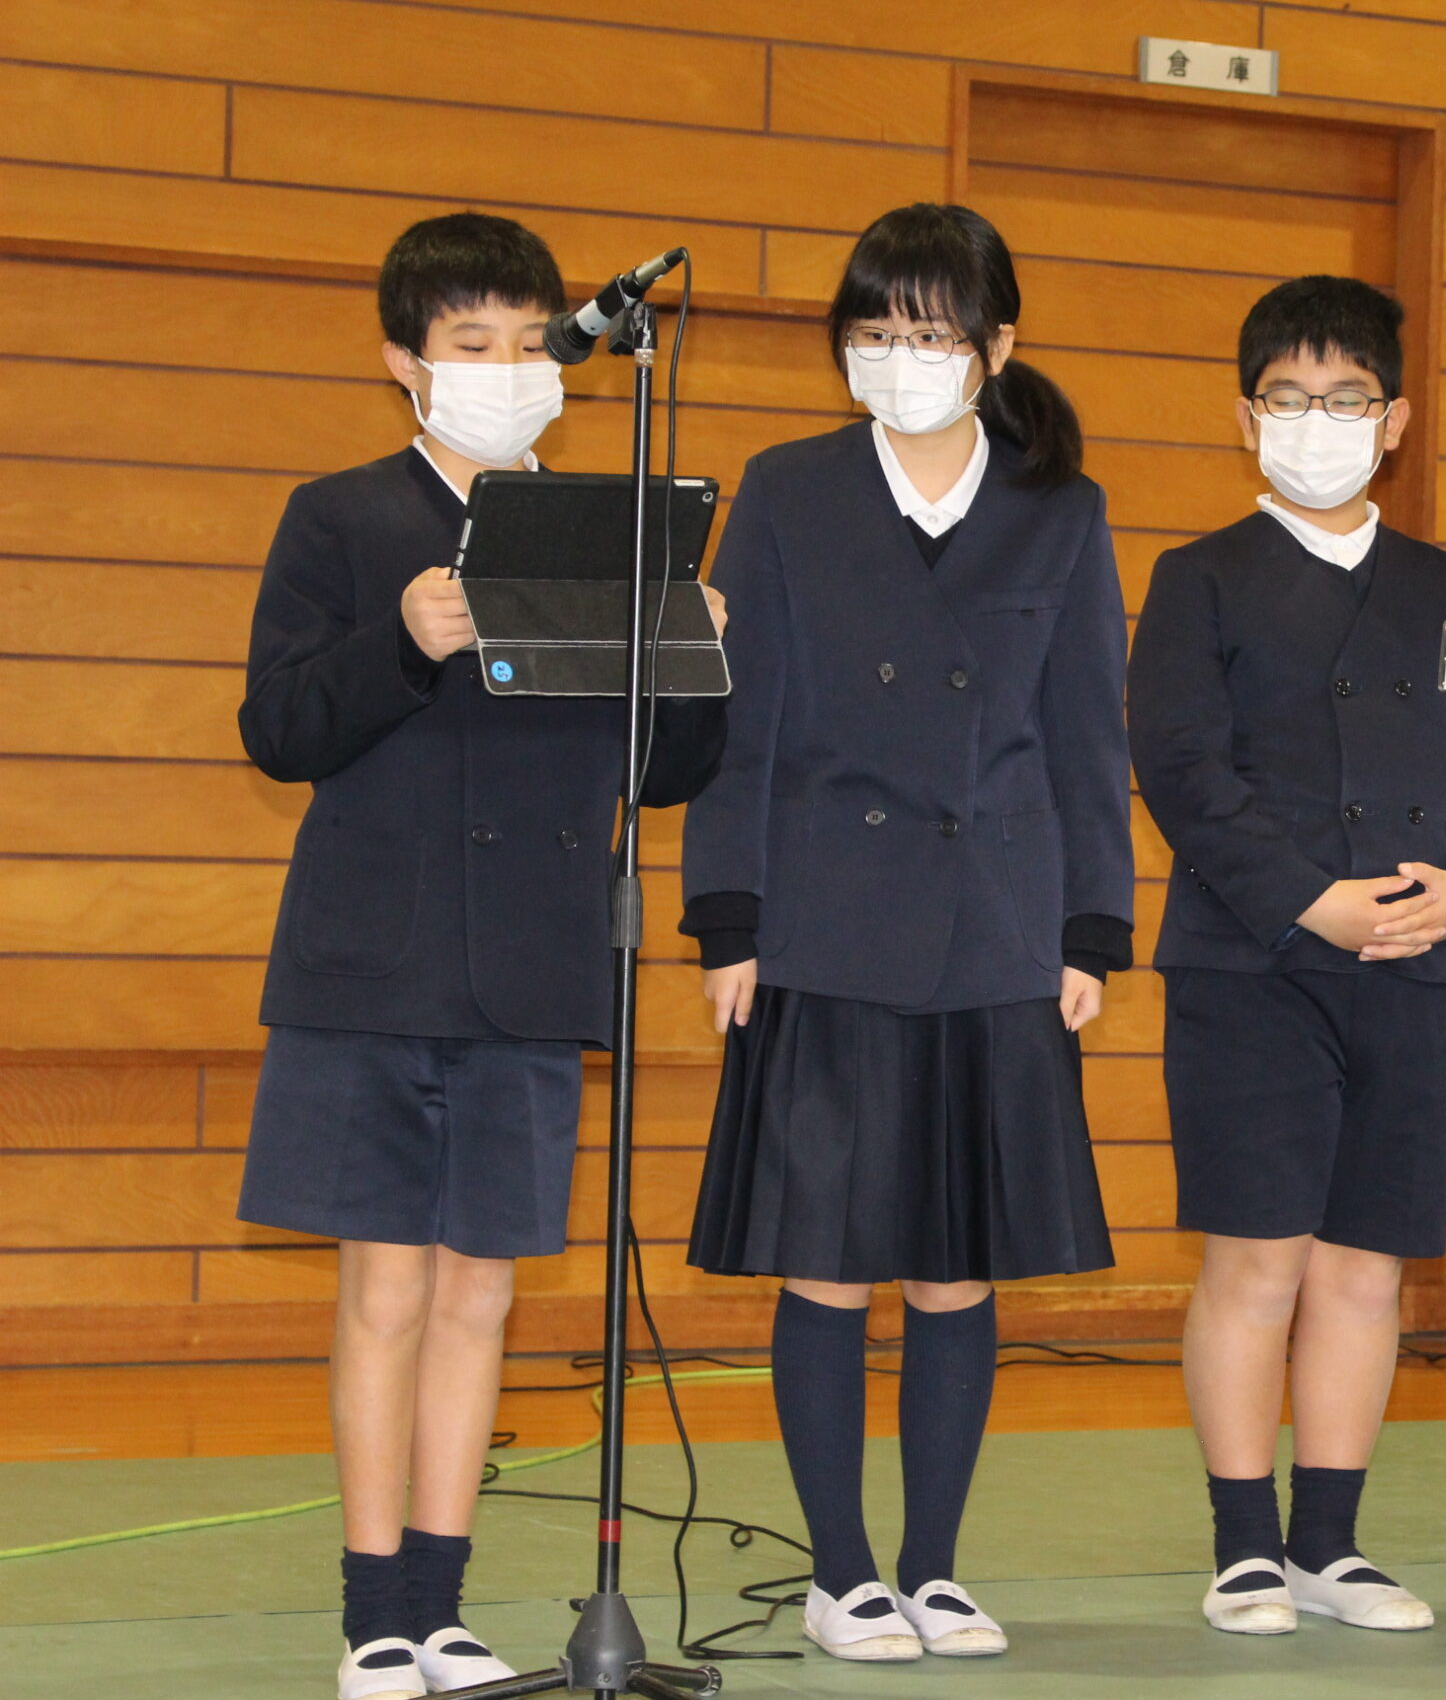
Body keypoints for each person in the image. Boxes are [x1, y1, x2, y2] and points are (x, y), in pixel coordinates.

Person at [234, 212, 729, 1700]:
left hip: (532, 959)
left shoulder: (603, 531)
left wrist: (699, 655)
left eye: (528, 343)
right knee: (385, 1290)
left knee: (480, 1296)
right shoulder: (339, 517)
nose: (508, 369)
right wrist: (401, 640)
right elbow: (278, 728)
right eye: (471, 344)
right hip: (374, 963)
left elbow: (664, 772)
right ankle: (373, 1612)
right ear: (405, 360)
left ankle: (444, 1608)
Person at [676, 202, 1133, 1664]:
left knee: (956, 1264)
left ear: (997, 346)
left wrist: (1090, 928)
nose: (900, 356)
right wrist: (727, 918)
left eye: (930, 332)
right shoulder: (788, 489)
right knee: (827, 1256)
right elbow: (738, 719)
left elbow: (1087, 732)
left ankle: (934, 1567)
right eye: (873, 329)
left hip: (998, 923)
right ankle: (843, 1571)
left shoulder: (1063, 506)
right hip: (825, 920)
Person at [1128, 275, 1446, 1636]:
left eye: (1348, 397)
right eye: (1291, 398)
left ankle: (1330, 1541)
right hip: (1252, 966)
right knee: (1257, 1261)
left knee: (1368, 1268)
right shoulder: (1198, 577)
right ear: (1247, 416)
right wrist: (1311, 899)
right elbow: (1183, 768)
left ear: (1395, 418)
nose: (1320, 421)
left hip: (1420, 968)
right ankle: (1245, 1544)